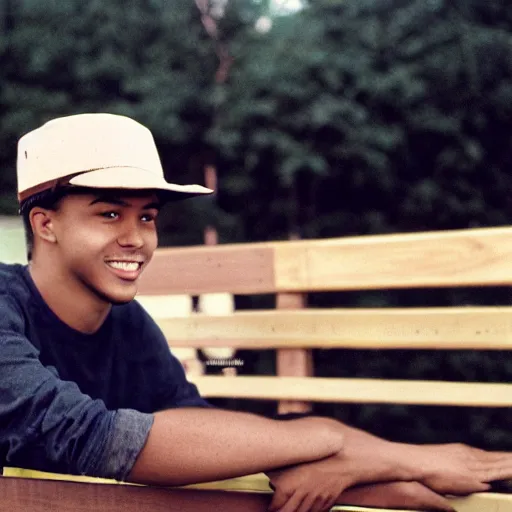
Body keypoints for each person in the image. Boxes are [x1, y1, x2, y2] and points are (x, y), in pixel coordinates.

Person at [1, 113, 511, 512]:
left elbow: (193, 425)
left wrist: (344, 472)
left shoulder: (126, 323)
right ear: (46, 224)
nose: (136, 239)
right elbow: (86, 437)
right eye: (110, 213)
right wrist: (352, 447)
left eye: (148, 217)